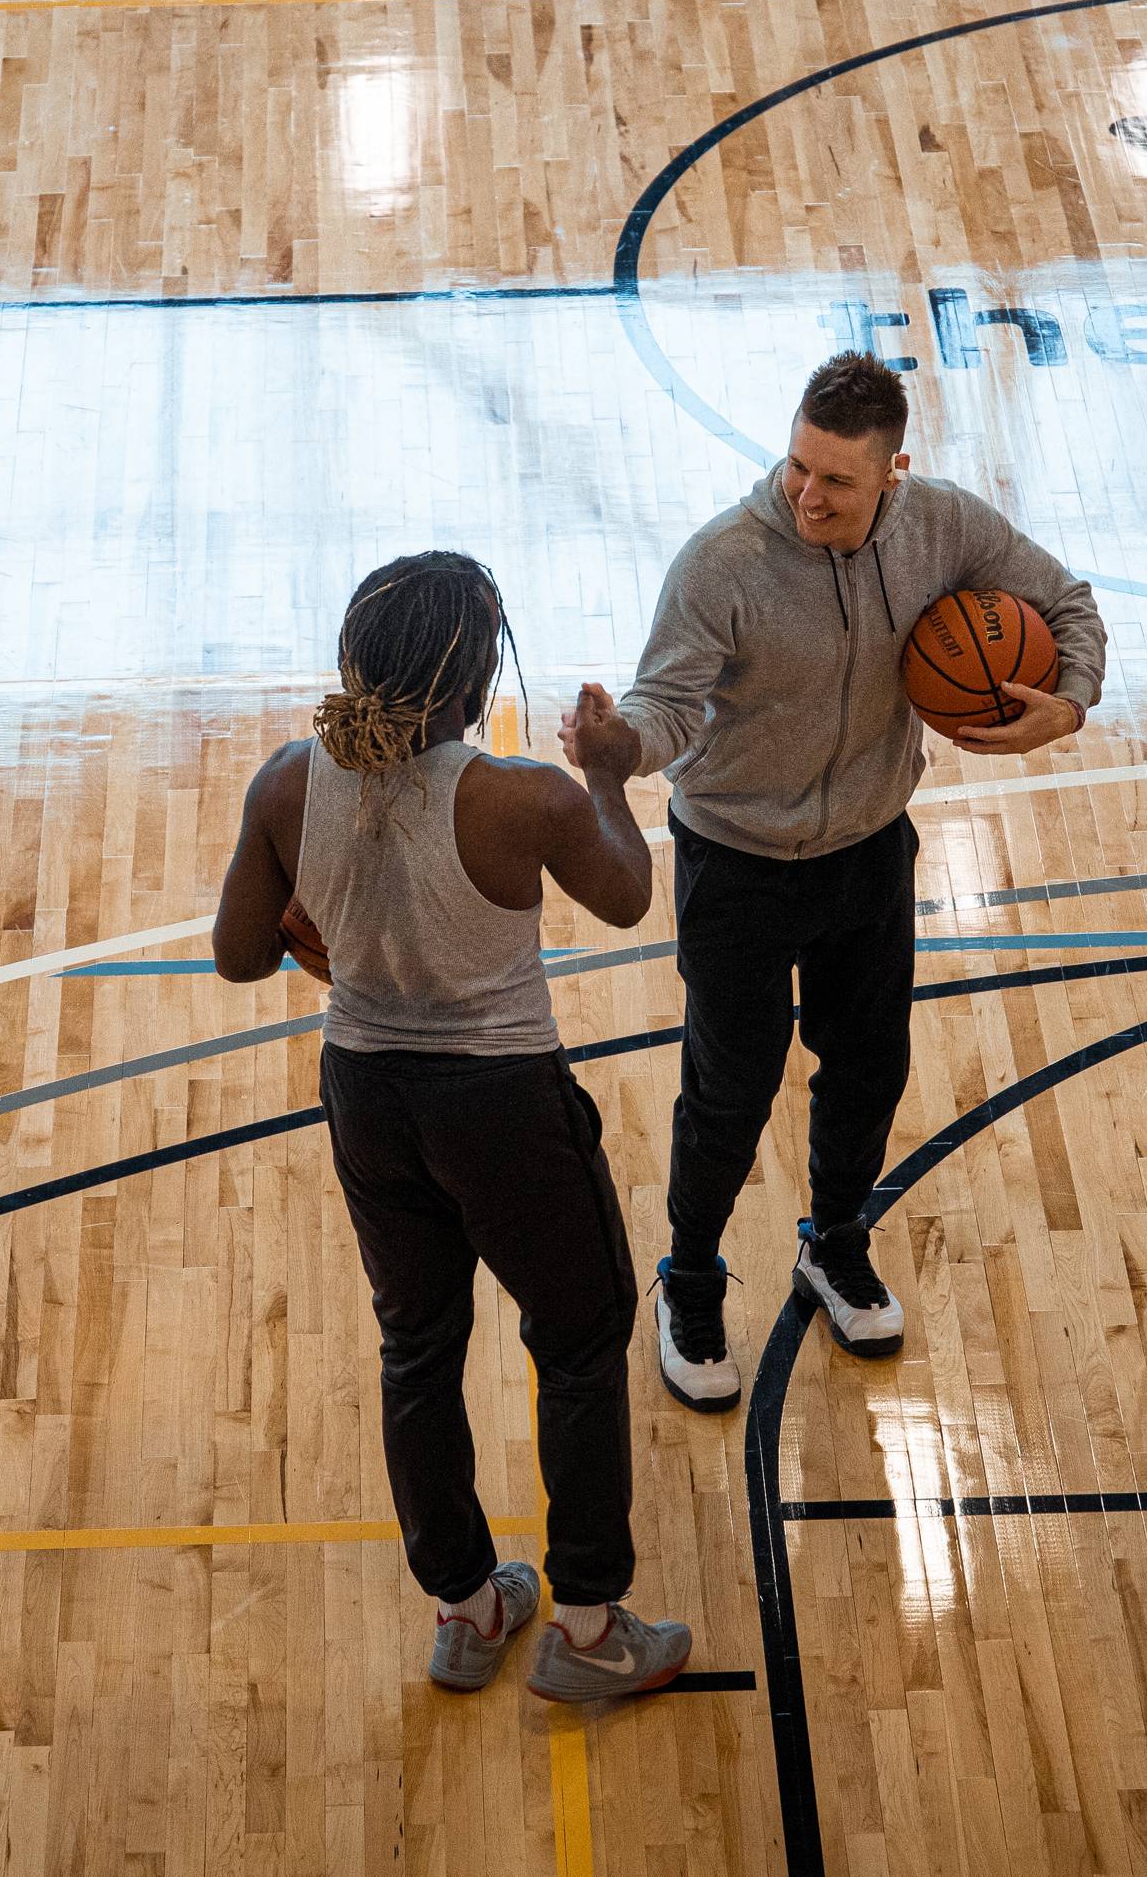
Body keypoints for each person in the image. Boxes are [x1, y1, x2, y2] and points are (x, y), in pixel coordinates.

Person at [564, 351, 1108, 1411]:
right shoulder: (721, 563)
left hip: (868, 848)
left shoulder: (945, 527)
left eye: (837, 481)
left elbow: (1067, 600)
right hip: (737, 861)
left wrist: (1071, 699)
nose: (806, 494)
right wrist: (617, 744)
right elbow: (668, 707)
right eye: (797, 468)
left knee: (869, 1069)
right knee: (729, 1088)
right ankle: (687, 1279)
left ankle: (836, 1240)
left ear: (892, 472)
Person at [213, 552, 692, 1701]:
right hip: (501, 1105)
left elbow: (236, 955)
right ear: (478, 679)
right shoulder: (526, 798)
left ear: (354, 661)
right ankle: (585, 1631)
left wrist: (302, 908)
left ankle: (469, 1611)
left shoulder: (288, 781)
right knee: (578, 1337)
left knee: (417, 1344)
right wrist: (611, 778)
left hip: (367, 1094)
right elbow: (628, 895)